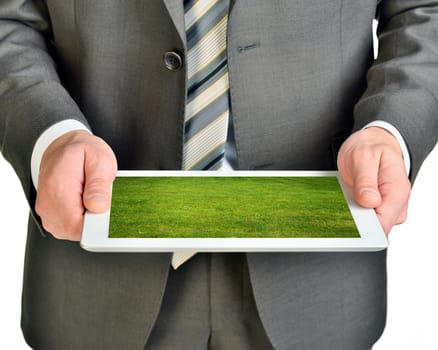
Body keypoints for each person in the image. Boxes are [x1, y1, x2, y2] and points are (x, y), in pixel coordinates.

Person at [0, 1, 437, 349]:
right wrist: (51, 135)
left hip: (317, 284)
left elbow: (422, 11)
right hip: (92, 279)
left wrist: (389, 127)